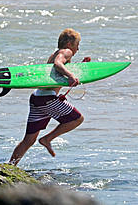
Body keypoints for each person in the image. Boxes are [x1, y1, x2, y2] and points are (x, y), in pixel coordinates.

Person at [9, 28, 91, 166]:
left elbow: (57, 74)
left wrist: (81, 66)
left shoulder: (54, 54)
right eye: (77, 44)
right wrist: (71, 75)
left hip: (37, 97)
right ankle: (47, 139)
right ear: (69, 44)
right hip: (47, 99)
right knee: (78, 119)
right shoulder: (66, 52)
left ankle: (10, 166)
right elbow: (58, 64)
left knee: (28, 140)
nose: (78, 48)